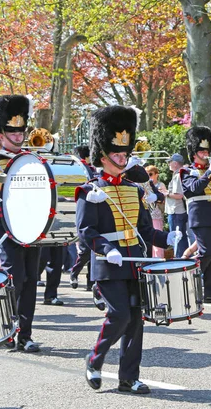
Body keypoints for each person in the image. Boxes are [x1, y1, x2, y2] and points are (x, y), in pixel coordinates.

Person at [76, 105, 180, 394]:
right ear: (102, 156)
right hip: (108, 264)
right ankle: (94, 360)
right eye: (117, 155)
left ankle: (128, 377)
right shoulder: (90, 190)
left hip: (135, 261)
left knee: (136, 320)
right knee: (119, 315)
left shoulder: (134, 189)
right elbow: (86, 231)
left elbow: (144, 231)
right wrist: (106, 248)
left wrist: (166, 239)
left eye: (125, 154)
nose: (123, 159)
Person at [0, 94, 43, 352]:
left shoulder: (30, 160)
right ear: (0, 133)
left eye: (21, 130)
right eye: (12, 131)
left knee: (30, 281)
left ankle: (25, 334)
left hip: (30, 229)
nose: (18, 135)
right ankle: (8, 329)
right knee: (14, 280)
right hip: (3, 231)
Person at [180, 127, 211, 304]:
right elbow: (195, 188)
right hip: (199, 214)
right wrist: (209, 172)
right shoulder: (186, 171)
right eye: (201, 151)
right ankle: (187, 275)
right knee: (206, 253)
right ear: (194, 153)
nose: (205, 154)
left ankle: (210, 293)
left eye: (206, 150)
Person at [70, 144, 97, 291]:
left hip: (92, 210)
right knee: (85, 250)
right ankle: (74, 273)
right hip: (81, 210)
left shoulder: (90, 169)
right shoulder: (80, 168)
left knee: (92, 250)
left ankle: (90, 282)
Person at [165, 153, 189, 258]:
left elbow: (179, 195)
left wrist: (166, 194)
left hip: (176, 211)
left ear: (175, 163)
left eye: (170, 162)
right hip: (178, 211)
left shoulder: (177, 175)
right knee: (181, 238)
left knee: (177, 239)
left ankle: (181, 260)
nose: (169, 164)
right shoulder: (180, 174)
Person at [145, 165, 168, 258]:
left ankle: (159, 260)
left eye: (150, 174)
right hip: (148, 214)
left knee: (157, 240)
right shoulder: (146, 184)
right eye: (147, 174)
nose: (149, 176)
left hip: (156, 214)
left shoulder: (160, 185)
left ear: (156, 174)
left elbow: (162, 198)